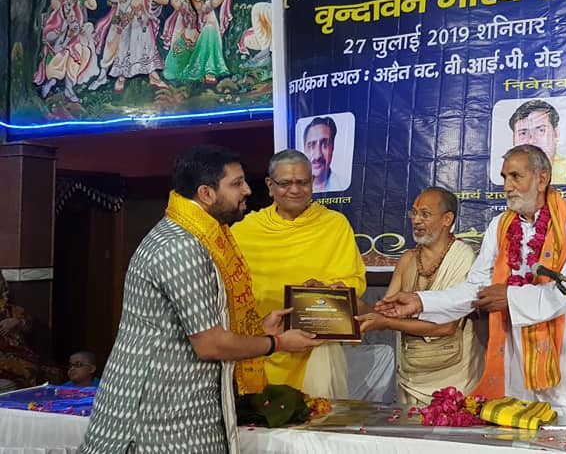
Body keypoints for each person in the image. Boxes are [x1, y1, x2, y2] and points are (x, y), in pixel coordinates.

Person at [79, 145, 324, 454]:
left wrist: (260, 331)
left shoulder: (202, 237)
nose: (247, 190)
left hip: (182, 409)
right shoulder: (182, 246)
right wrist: (277, 343)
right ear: (206, 193)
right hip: (154, 417)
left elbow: (200, 324)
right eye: (236, 183)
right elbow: (209, 344)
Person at [377, 145, 566, 422]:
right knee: (524, 430)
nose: (507, 186)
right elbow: (475, 289)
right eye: (505, 177)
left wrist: (510, 297)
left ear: (542, 179)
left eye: (516, 176)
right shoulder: (500, 226)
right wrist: (421, 301)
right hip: (519, 359)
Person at [232, 149, 366, 398]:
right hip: (264, 347)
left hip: (317, 348)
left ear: (312, 183)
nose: (295, 190)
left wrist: (325, 290)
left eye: (303, 182)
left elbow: (353, 282)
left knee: (319, 416)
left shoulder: (334, 225)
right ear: (270, 185)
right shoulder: (244, 232)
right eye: (285, 183)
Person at [354, 187, 484, 406]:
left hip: (455, 381)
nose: (416, 220)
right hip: (410, 377)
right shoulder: (407, 259)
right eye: (414, 213)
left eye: (425, 214)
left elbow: (447, 327)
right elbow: (384, 315)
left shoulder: (463, 256)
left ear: (447, 219)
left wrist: (386, 322)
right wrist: (346, 300)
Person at [509, 99, 566, 185]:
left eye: (541, 130)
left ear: (556, 134)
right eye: (523, 133)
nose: (531, 140)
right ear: (513, 139)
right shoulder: (505, 182)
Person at [303, 116, 348, 192]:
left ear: (332, 147)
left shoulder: (345, 185)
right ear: (304, 150)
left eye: (325, 144)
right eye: (312, 146)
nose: (318, 155)